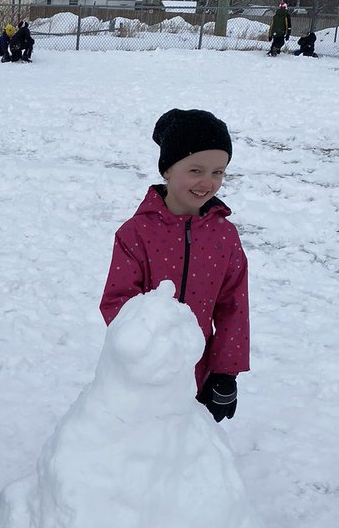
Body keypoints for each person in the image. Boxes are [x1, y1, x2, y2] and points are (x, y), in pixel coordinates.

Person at [100, 108, 249, 422]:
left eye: (218, 172)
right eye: (196, 170)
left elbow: (233, 305)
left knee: (184, 452)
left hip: (199, 372)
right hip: (142, 372)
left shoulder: (225, 236)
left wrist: (225, 372)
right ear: (167, 170)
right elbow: (117, 300)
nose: (207, 182)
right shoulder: (136, 234)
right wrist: (147, 354)